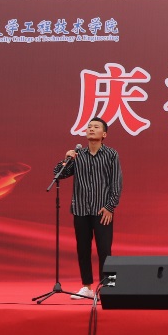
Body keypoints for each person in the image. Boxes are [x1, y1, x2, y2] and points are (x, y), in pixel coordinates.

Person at [59, 117, 122, 300]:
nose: (91, 129)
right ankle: (86, 287)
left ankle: (108, 287)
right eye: (89, 127)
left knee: (105, 249)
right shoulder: (78, 155)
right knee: (83, 249)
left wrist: (110, 206)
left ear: (104, 134)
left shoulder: (111, 154)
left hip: (103, 210)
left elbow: (116, 183)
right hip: (80, 209)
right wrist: (66, 159)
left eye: (96, 127)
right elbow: (58, 174)